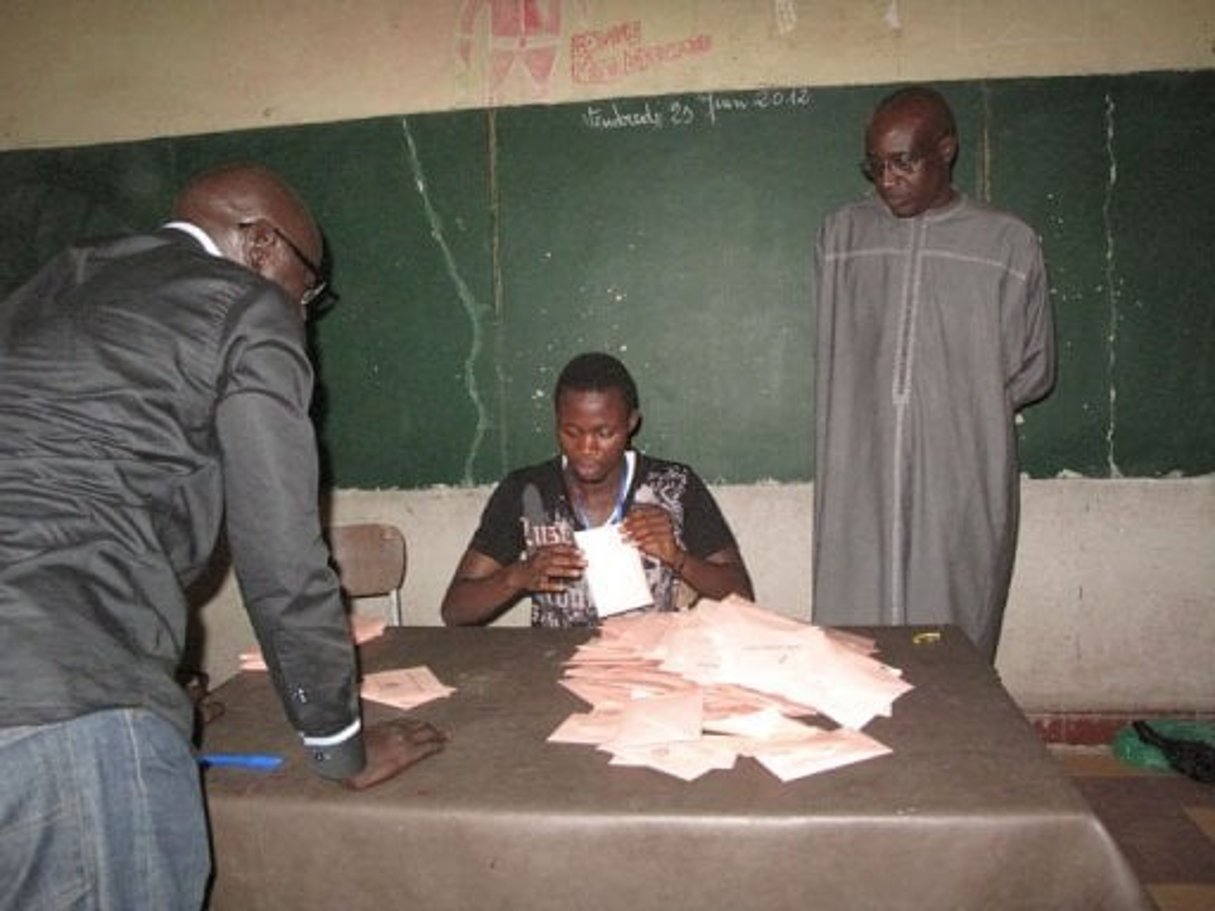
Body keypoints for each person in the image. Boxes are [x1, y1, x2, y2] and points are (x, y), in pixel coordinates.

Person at [0, 164, 446, 909]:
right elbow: (281, 553)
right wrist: (339, 746)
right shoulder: (245, 305)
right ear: (262, 243)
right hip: (66, 705)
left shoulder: (55, 283)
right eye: (310, 290)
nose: (303, 311)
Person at [812, 86, 1056, 661]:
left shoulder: (1007, 242)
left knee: (953, 636)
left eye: (904, 162)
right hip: (858, 468)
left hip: (962, 468)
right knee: (854, 643)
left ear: (946, 149)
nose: (886, 180)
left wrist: (955, 404)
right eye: (876, 165)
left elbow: (1034, 368)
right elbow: (832, 349)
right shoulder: (841, 236)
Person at [442, 352, 753, 627]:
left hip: (649, 670)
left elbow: (741, 594)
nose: (586, 447)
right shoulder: (527, 491)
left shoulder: (674, 486)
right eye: (571, 432)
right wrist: (516, 577)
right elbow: (455, 610)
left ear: (631, 422)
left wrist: (677, 557)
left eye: (604, 433)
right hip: (552, 670)